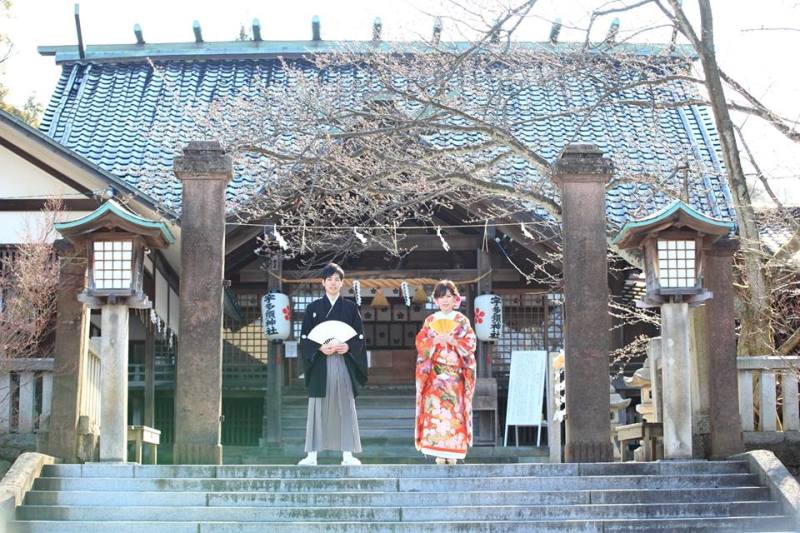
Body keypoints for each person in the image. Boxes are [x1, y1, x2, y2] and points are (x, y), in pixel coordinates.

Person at [298, 263, 368, 466]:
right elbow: (305, 338)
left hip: (343, 363)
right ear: (323, 282)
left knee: (345, 405)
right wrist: (319, 347)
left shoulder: (350, 308)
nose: (333, 283)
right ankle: (312, 455)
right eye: (329, 279)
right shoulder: (313, 308)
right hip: (320, 363)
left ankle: (348, 454)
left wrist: (348, 346)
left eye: (337, 279)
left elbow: (359, 338)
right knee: (317, 408)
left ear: (342, 283)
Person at [414, 280, 477, 464]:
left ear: (455, 299)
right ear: (435, 300)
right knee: (435, 411)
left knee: (454, 412)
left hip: (455, 376)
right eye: (441, 297)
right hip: (435, 376)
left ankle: (453, 452)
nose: (445, 300)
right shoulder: (431, 321)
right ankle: (438, 452)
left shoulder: (461, 320)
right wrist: (434, 341)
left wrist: (454, 341)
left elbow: (470, 343)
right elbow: (421, 344)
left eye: (448, 296)